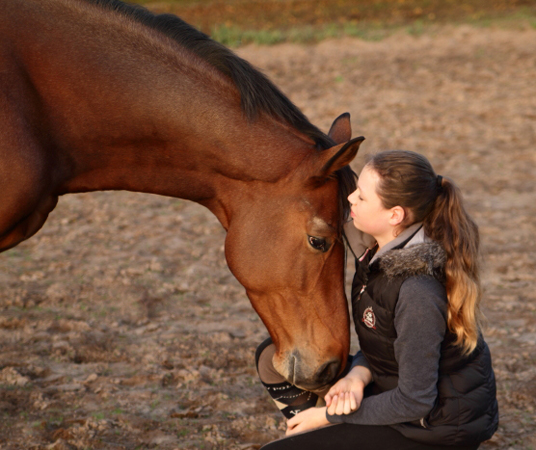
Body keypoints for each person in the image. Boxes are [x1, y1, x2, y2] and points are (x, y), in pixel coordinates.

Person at [255, 150, 498, 450]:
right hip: (392, 389)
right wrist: (357, 376)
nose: (350, 199)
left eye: (362, 196)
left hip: (432, 428)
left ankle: (313, 432)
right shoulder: (377, 255)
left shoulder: (417, 291)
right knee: (272, 358)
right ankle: (309, 436)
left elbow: (415, 401)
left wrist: (328, 417)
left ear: (395, 215)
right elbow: (387, 343)